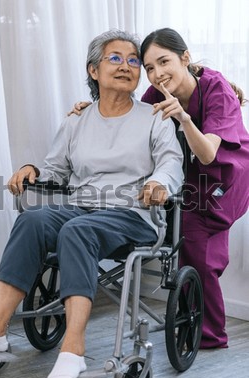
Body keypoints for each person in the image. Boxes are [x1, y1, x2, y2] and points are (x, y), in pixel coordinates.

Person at [0, 29, 183, 378]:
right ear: (94, 70)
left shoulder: (155, 117)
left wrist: (159, 184)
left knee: (76, 230)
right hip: (84, 209)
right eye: (115, 58)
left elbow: (171, 164)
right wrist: (33, 171)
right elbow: (55, 170)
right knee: (32, 220)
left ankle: (73, 349)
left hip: (133, 216)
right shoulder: (77, 120)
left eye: (134, 60)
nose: (127, 66)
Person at [71, 27, 249, 349]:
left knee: (198, 245)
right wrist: (93, 109)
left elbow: (208, 155)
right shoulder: (155, 95)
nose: (156, 74)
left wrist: (183, 118)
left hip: (226, 176)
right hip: (191, 177)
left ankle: (208, 335)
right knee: (178, 229)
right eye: (149, 67)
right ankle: (192, 320)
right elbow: (130, 116)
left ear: (185, 58)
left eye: (163, 62)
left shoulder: (216, 89)